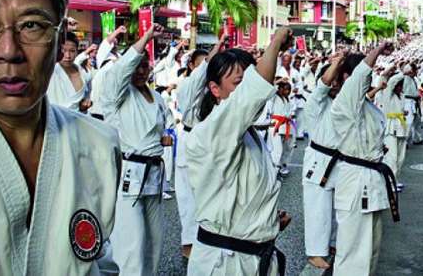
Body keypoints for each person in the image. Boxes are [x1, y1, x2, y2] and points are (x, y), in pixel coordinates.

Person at [0, 0, 122, 273]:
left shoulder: (98, 144)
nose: (9, 51)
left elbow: (100, 261)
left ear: (61, 43)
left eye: (32, 25)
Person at [186, 27, 294, 276]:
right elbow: (251, 94)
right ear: (215, 89)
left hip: (250, 254)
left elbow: (239, 193)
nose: (246, 88)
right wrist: (275, 42)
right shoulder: (210, 132)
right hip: (225, 264)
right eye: (239, 83)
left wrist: (266, 220)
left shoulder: (247, 132)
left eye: (249, 79)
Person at [314, 43, 398, 276]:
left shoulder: (365, 106)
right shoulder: (344, 104)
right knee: (353, 255)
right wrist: (378, 50)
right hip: (356, 182)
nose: (369, 78)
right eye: (365, 74)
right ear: (347, 78)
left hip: (371, 179)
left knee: (370, 252)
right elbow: (360, 77)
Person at [104, 22, 174, 275]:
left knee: (154, 240)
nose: (141, 70)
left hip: (154, 172)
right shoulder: (117, 95)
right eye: (137, 65)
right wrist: (146, 37)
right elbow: (121, 70)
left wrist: (165, 137)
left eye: (146, 65)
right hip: (130, 172)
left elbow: (165, 124)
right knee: (131, 242)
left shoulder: (155, 96)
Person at [173, 34, 227, 260]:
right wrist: (216, 50)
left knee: (210, 194)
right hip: (189, 141)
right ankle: (189, 244)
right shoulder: (187, 88)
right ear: (192, 66)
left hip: (210, 146)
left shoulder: (213, 92)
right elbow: (199, 75)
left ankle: (210, 239)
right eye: (201, 64)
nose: (205, 69)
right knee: (188, 199)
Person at [301, 53, 344, 270]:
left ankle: (333, 243)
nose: (335, 84)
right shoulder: (316, 100)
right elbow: (325, 83)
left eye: (339, 80)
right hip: (319, 160)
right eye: (332, 80)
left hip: (340, 160)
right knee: (318, 208)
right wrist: (336, 63)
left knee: (337, 208)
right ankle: (316, 252)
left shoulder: (340, 103)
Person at [46, 31, 92, 111]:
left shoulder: (83, 72)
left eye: (72, 51)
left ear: (77, 51)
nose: (67, 56)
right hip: (54, 119)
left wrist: (85, 104)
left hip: (78, 119)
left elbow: (86, 97)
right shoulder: (50, 70)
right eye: (63, 50)